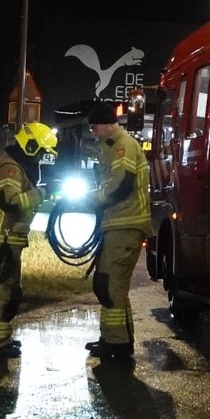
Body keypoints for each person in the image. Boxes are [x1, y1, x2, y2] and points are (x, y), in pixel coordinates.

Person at [0, 122, 56, 359]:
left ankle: (2, 338)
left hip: (10, 240)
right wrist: (41, 193)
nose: (42, 157)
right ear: (31, 146)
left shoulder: (17, 166)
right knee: (3, 293)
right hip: (2, 241)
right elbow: (10, 202)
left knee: (11, 292)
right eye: (42, 152)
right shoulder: (10, 168)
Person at [83, 100, 150, 363]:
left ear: (107, 124)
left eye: (94, 127)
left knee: (109, 284)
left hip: (127, 223)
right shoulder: (110, 147)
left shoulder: (122, 146)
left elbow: (121, 185)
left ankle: (118, 343)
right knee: (113, 285)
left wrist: (93, 199)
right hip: (118, 224)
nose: (93, 132)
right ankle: (114, 338)